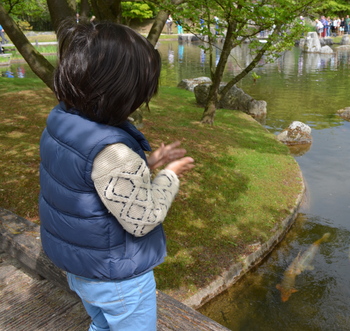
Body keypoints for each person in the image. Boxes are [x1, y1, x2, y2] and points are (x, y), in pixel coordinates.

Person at [39, 19, 195, 331]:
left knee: (101, 323)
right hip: (117, 279)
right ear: (120, 92)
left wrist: (147, 164)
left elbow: (90, 181)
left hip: (81, 267)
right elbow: (143, 218)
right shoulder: (113, 154)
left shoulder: (63, 122)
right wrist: (169, 175)